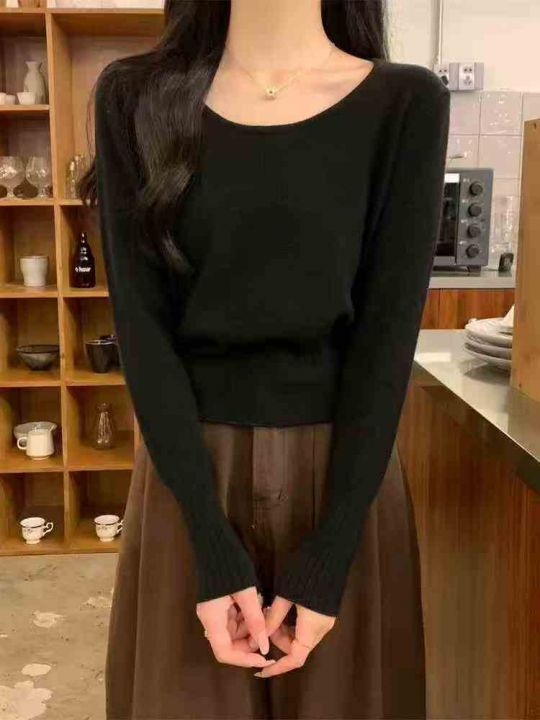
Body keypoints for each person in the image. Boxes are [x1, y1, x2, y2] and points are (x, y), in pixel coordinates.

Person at [79, 0, 450, 717]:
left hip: (345, 477)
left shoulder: (406, 102)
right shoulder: (133, 96)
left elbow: (385, 343)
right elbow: (143, 331)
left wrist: (332, 552)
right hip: (189, 474)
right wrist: (207, 541)